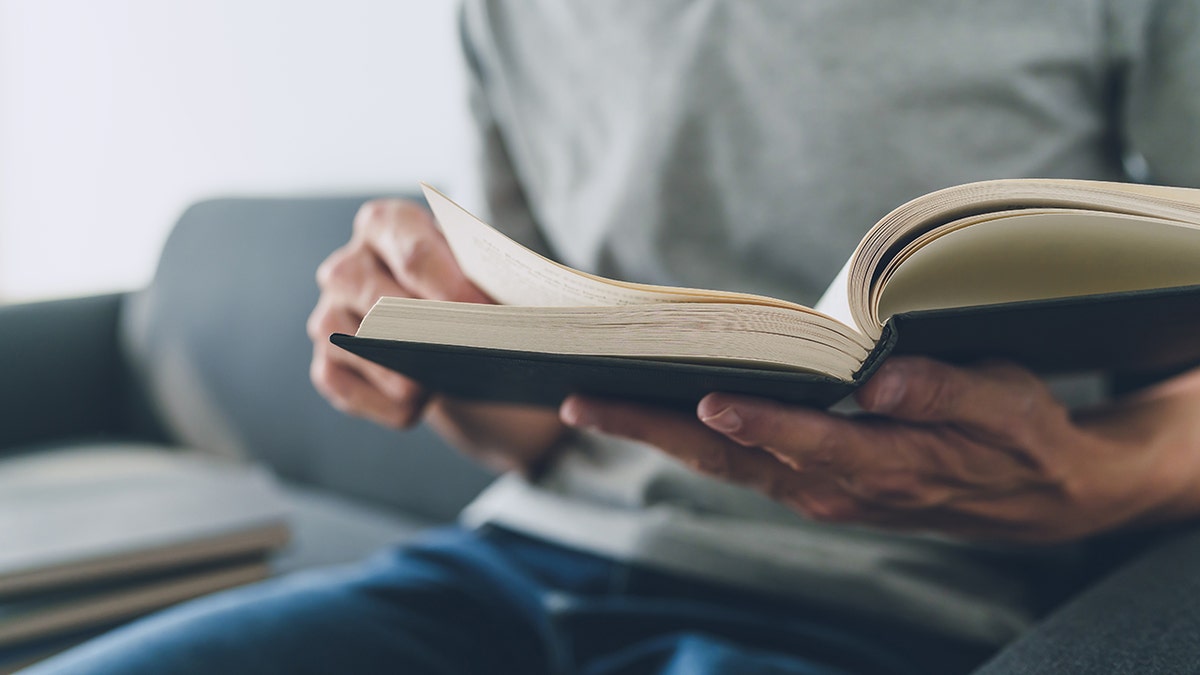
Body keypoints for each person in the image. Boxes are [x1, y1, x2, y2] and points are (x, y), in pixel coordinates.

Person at [25, 1, 1200, 673]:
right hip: (510, 567)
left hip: (898, 609)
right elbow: (537, 431)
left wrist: (1110, 478)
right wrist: (412, 346)